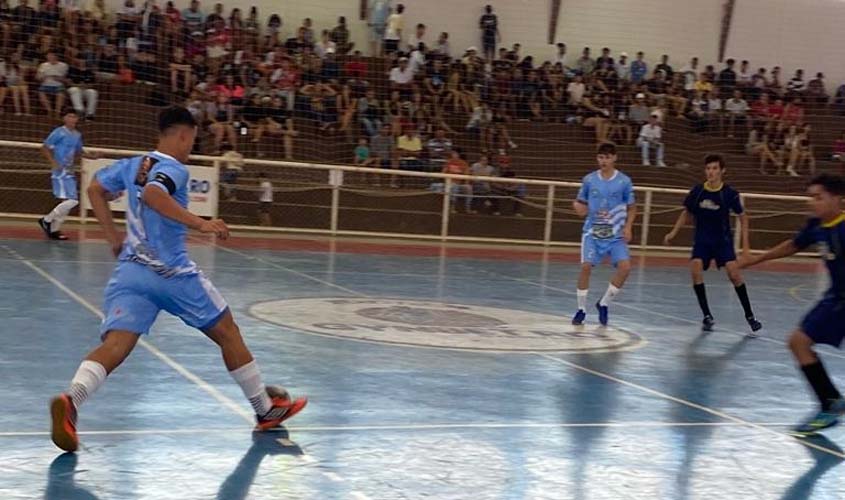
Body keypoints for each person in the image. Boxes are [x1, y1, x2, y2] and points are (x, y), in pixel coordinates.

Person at [48, 107, 307, 453]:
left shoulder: (131, 164)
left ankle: (72, 401)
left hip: (131, 272)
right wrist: (200, 223)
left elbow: (94, 189)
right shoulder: (173, 168)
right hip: (172, 273)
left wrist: (113, 238)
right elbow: (155, 195)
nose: (190, 147)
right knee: (228, 331)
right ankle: (264, 410)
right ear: (184, 134)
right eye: (192, 140)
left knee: (116, 345)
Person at [739, 174, 845, 436]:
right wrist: (754, 260)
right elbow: (792, 245)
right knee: (798, 342)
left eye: (818, 197)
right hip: (836, 298)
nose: (813, 202)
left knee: (798, 342)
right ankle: (830, 403)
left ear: (837, 199)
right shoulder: (817, 226)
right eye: (811, 197)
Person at [663, 154, 762, 334]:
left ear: (722, 171)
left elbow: (743, 217)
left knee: (734, 274)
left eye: (715, 168)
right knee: (695, 269)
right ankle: (707, 315)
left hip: (722, 241)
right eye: (708, 168)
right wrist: (673, 232)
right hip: (702, 241)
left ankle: (750, 316)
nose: (711, 172)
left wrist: (746, 246)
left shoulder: (730, 194)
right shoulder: (698, 191)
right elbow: (686, 213)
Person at [572, 142, 637, 326]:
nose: (604, 161)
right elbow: (580, 203)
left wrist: (628, 226)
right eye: (601, 157)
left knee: (625, 268)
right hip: (592, 232)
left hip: (615, 234)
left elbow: (632, 207)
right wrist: (577, 207)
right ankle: (581, 309)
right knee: (585, 267)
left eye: (607, 157)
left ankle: (604, 303)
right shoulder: (589, 180)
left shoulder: (624, 181)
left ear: (614, 158)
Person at [38, 109, 92, 240]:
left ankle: (54, 230)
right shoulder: (58, 132)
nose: (72, 119)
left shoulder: (77, 135)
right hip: (60, 172)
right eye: (69, 116)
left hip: (70, 171)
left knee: (67, 202)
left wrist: (93, 156)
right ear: (64, 118)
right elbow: (44, 148)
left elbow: (79, 151)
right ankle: (46, 220)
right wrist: (53, 162)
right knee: (72, 200)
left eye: (75, 116)